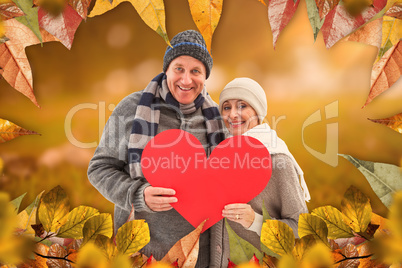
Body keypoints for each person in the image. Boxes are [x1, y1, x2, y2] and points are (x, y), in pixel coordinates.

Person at [87, 30, 226, 267]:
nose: (186, 80)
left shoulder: (217, 119)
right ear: (167, 69)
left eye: (196, 71)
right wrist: (138, 195)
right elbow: (99, 168)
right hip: (144, 251)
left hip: (200, 254)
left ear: (205, 76)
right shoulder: (132, 108)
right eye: (179, 68)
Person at [209, 77, 310, 267]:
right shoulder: (218, 158)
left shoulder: (278, 161)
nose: (233, 114)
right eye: (226, 107)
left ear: (258, 112)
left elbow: (302, 230)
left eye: (242, 105)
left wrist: (255, 221)